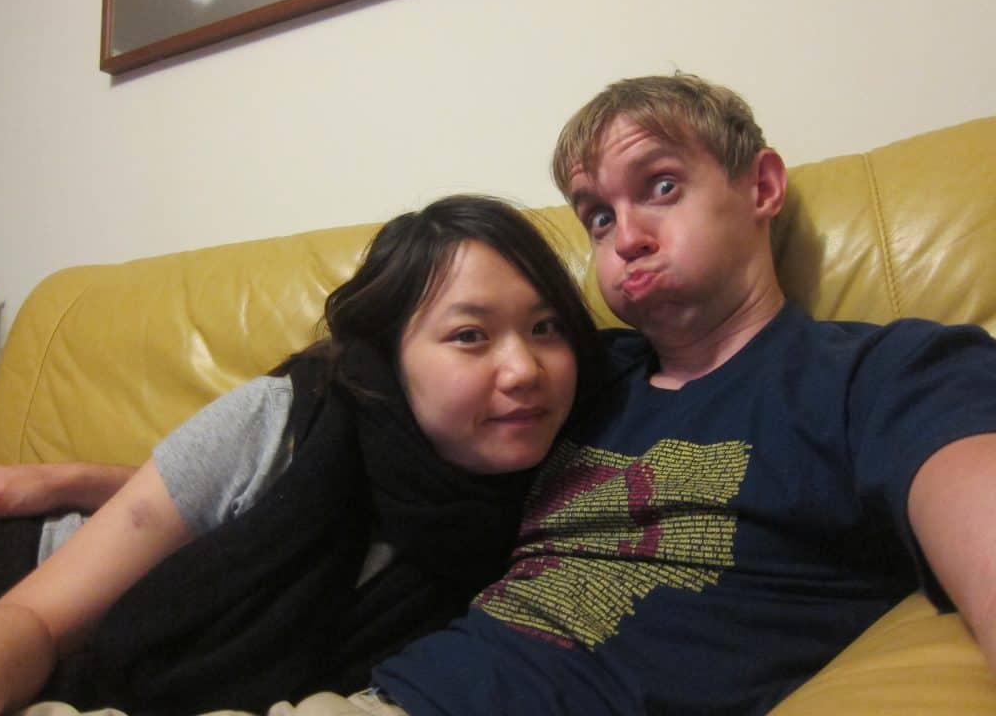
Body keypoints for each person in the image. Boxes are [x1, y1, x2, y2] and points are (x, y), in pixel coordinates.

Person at [295, 74, 996, 716]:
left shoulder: (887, 374)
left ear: (761, 187)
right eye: (599, 216)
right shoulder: (573, 378)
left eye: (661, 186)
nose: (626, 237)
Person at [0, 194, 602, 716]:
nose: (524, 369)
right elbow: (31, 618)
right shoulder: (287, 420)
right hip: (16, 576)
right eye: (470, 335)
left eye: (545, 327)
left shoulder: (584, 473)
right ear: (388, 357)